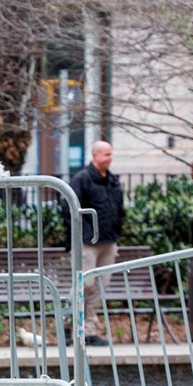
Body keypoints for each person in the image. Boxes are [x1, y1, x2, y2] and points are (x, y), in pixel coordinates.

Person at [68, 141, 122, 347]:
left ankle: (88, 330)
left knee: (99, 287)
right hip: (87, 241)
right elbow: (70, 208)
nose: (110, 158)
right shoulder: (82, 179)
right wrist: (84, 232)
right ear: (95, 155)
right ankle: (70, 324)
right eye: (106, 154)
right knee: (84, 284)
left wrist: (117, 229)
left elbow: (118, 207)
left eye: (111, 154)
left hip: (108, 240)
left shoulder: (112, 180)